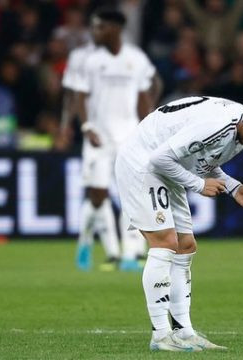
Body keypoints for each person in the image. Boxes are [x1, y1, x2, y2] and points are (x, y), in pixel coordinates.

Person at [114, 96, 243, 351]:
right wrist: (198, 185)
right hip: (143, 163)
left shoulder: (239, 126)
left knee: (185, 245)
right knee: (165, 242)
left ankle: (184, 332)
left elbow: (203, 161)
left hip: (166, 166)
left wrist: (234, 188)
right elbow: (159, 158)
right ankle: (161, 335)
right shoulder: (219, 125)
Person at [72, 8, 161, 271]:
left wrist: (148, 129)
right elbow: (80, 95)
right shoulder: (89, 61)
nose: (95, 32)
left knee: (132, 195)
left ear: (115, 29)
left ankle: (131, 253)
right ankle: (86, 240)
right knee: (97, 196)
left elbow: (145, 94)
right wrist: (86, 126)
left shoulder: (136, 58)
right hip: (98, 137)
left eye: (100, 27)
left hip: (128, 138)